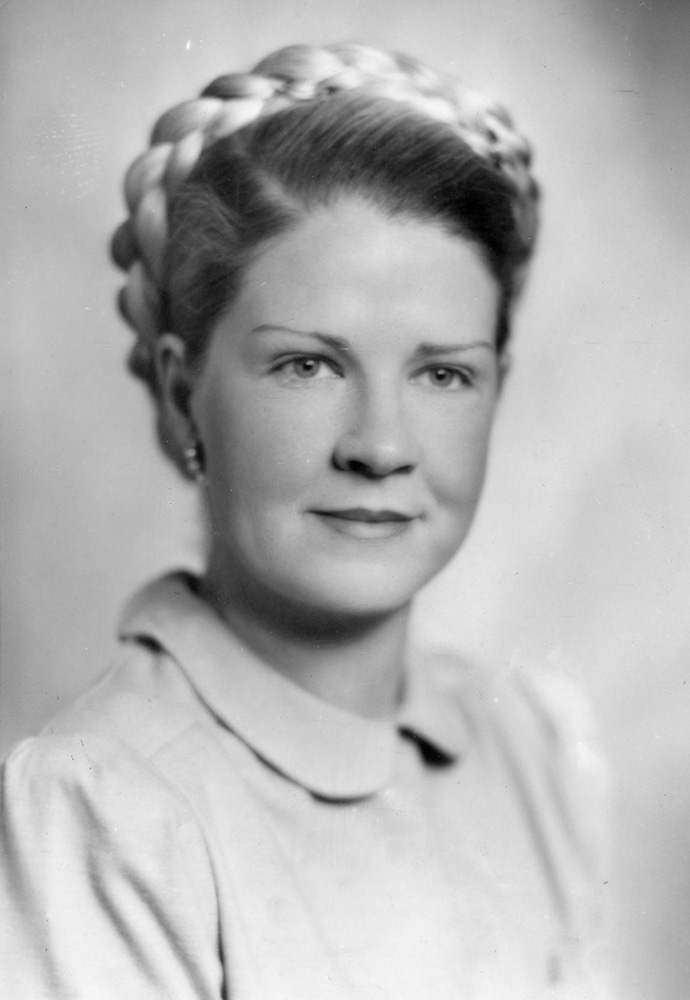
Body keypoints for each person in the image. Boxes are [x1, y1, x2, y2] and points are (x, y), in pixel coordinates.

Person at [0, 42, 608, 999]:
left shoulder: (532, 749)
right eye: (307, 365)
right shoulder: (104, 806)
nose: (379, 445)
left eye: (443, 372)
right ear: (180, 390)